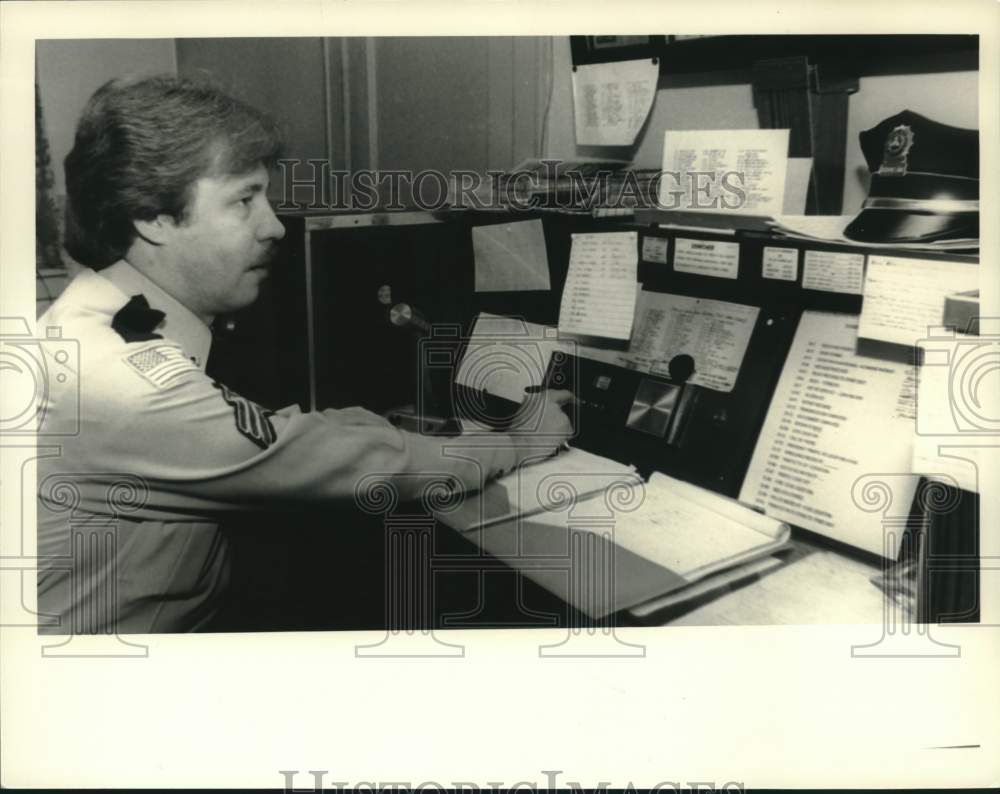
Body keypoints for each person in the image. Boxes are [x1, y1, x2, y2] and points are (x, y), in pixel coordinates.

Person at [36, 74, 573, 635]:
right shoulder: (125, 384)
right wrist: (517, 440)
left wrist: (364, 427)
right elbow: (347, 464)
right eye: (244, 199)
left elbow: (266, 434)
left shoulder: (101, 321)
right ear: (154, 217)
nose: (274, 226)